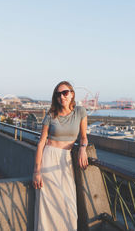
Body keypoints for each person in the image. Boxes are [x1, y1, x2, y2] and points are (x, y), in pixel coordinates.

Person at [33, 81, 88, 231]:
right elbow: (41, 143)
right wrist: (37, 171)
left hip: (66, 160)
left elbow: (83, 136)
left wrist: (83, 148)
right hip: (49, 158)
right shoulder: (51, 115)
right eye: (58, 94)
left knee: (68, 205)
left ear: (72, 94)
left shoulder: (80, 112)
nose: (62, 97)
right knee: (48, 206)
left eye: (65, 93)